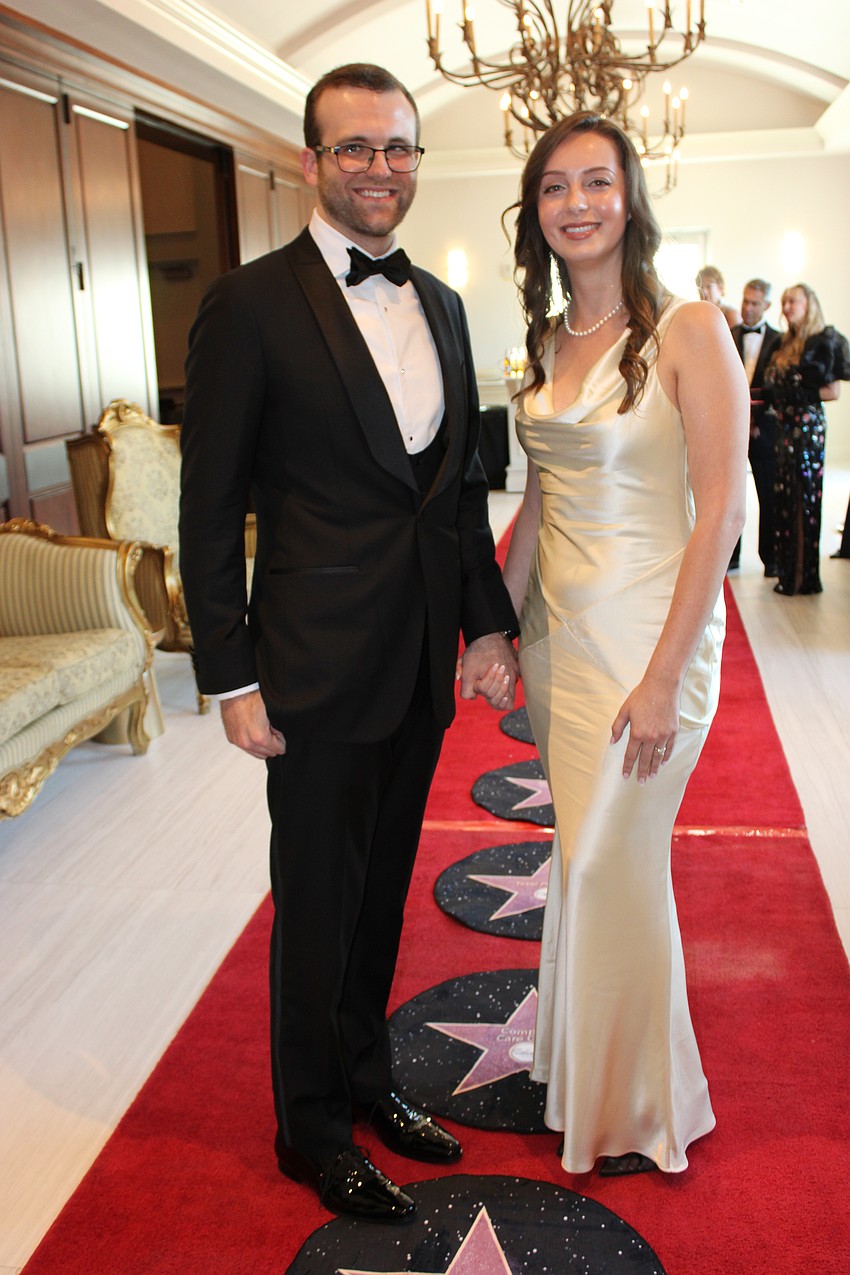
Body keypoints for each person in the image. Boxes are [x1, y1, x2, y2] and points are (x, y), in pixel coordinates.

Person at [179, 63, 519, 1225]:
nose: (381, 168)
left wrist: (486, 625)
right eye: (357, 148)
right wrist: (228, 671)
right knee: (316, 907)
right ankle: (310, 1129)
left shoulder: (447, 305)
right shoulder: (251, 302)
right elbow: (209, 505)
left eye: (400, 149)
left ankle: (370, 1085)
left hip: (420, 658)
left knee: (379, 903)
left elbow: (459, 492)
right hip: (311, 668)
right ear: (315, 160)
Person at [499, 112, 748, 1176]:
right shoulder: (547, 343)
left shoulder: (690, 327)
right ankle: (579, 1073)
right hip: (563, 643)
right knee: (581, 858)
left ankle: (641, 1105)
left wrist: (658, 679)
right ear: (535, 213)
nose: (577, 204)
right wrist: (495, 628)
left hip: (655, 640)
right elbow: (538, 502)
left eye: (596, 182)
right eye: (554, 187)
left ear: (629, 197)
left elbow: (721, 511)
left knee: (610, 864)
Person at [764, 283, 849, 595]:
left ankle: (803, 578)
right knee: (785, 498)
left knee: (804, 499)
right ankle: (788, 574)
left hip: (808, 429)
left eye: (793, 301)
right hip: (784, 430)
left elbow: (833, 391)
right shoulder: (784, 343)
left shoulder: (822, 340)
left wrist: (797, 396)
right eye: (785, 301)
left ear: (808, 304)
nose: (787, 306)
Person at [729, 278, 782, 575]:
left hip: (765, 431)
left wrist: (756, 422)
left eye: (754, 303)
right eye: (745, 301)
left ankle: (770, 559)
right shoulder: (728, 333)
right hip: (732, 429)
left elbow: (776, 389)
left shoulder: (779, 340)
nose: (747, 308)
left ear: (767, 306)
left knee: (768, 494)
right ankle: (731, 556)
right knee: (731, 493)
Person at [696, 264, 741, 329]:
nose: (704, 292)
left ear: (720, 287)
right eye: (700, 288)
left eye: (708, 286)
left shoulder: (731, 314)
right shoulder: (697, 315)